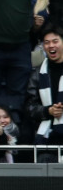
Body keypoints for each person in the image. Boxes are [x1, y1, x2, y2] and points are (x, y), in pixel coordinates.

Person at [27, 24, 63, 162]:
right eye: (46, 43)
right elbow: (29, 107)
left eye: (55, 41)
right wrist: (48, 111)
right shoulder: (37, 74)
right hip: (48, 138)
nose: (51, 46)